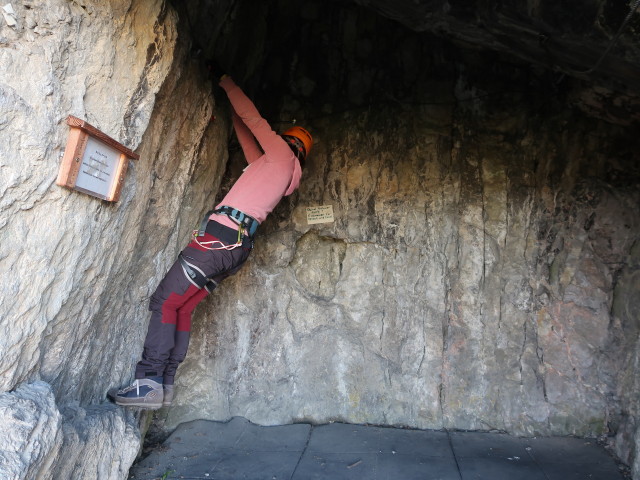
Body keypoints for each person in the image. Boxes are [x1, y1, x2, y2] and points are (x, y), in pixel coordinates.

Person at [111, 72, 313, 409]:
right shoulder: (276, 171)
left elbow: (255, 121)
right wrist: (231, 110)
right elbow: (247, 133)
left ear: (290, 143)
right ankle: (165, 385)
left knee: (165, 301)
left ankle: (147, 384)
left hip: (218, 241)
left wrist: (227, 83)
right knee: (184, 307)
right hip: (236, 249)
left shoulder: (281, 155)